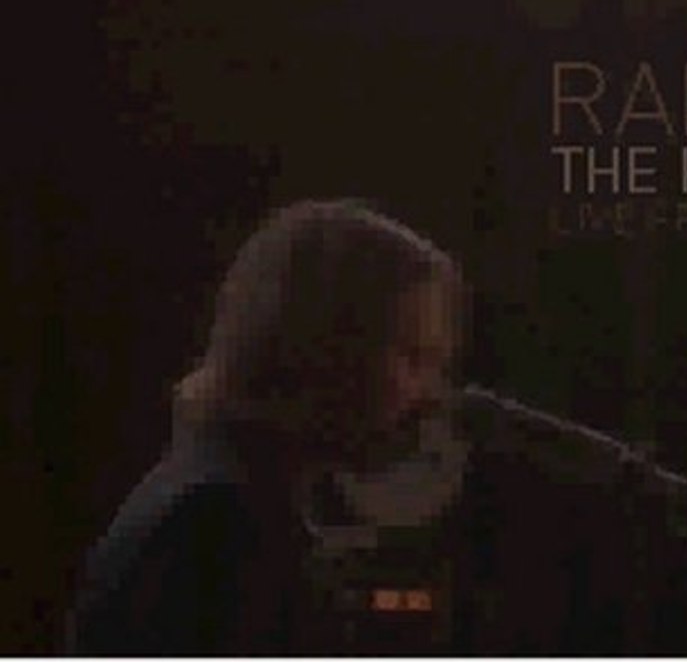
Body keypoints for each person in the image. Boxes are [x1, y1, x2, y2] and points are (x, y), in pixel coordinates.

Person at [66, 198, 468, 654]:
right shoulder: (219, 525)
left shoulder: (228, 501)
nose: (433, 395)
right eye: (413, 358)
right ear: (321, 347)